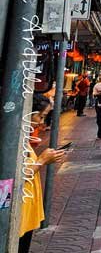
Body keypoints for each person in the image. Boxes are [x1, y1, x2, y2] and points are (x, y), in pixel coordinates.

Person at [19, 93, 66, 253]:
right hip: (18, 217)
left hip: (26, 215)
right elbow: (17, 178)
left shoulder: (23, 139)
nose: (41, 122)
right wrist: (41, 161)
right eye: (40, 116)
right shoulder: (12, 142)